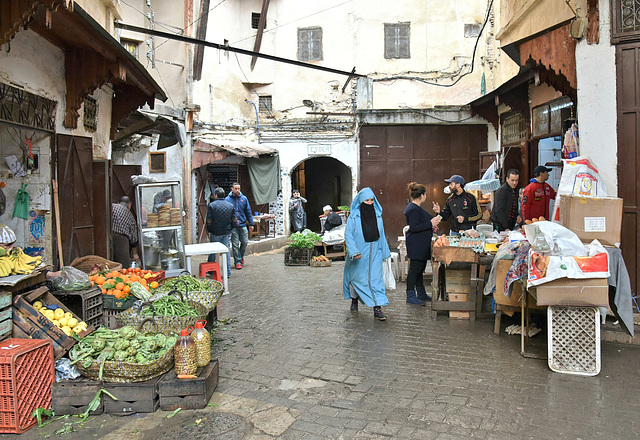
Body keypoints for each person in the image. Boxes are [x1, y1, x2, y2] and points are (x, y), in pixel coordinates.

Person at [343, 187, 391, 321]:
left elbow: (381, 235)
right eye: (366, 201)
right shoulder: (354, 217)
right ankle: (354, 300)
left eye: (371, 200)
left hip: (375, 254)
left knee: (376, 281)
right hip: (359, 256)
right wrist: (354, 252)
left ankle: (377, 309)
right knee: (357, 281)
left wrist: (385, 254)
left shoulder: (377, 216)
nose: (369, 203)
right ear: (360, 201)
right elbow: (349, 235)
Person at [404, 182, 441, 306]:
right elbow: (414, 227)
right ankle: (410, 295)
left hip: (421, 243)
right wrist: (430, 224)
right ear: (422, 195)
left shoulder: (416, 208)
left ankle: (421, 293)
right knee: (414, 270)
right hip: (416, 244)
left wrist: (436, 216)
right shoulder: (413, 209)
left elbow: (425, 223)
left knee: (420, 270)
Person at [206, 187, 235, 279]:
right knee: (226, 251)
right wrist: (230, 228)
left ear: (216, 195)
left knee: (213, 250)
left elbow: (209, 220)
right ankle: (228, 272)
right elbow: (234, 220)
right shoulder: (230, 205)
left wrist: (209, 229)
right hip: (226, 231)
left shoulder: (212, 205)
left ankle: (210, 270)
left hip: (215, 232)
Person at [225, 182, 254, 270]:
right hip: (233, 226)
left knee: (245, 242)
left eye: (239, 189)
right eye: (236, 189)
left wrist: (251, 224)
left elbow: (248, 211)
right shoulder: (227, 199)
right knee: (235, 244)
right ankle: (237, 261)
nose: (237, 190)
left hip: (242, 224)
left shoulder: (244, 199)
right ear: (232, 189)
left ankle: (240, 256)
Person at [111, 196, 139, 267]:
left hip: (109, 238)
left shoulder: (112, 206)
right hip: (122, 241)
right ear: (129, 204)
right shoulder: (130, 215)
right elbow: (134, 237)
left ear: (118, 202)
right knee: (123, 266)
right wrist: (135, 254)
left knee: (110, 265)